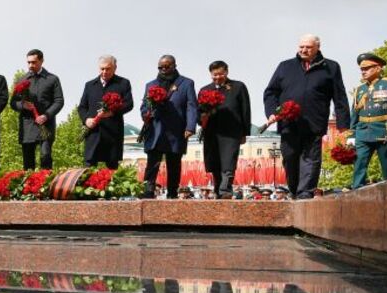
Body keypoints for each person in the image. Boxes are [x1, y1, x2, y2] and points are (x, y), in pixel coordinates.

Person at [263, 34, 351, 199]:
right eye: (301, 47)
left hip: (314, 122)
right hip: (288, 123)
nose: (303, 50)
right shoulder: (285, 66)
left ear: (318, 47)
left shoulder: (330, 67)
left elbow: (340, 96)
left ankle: (305, 192)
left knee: (311, 159)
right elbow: (270, 92)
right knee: (290, 158)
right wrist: (272, 112)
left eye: (308, 47)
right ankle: (296, 190)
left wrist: (343, 124)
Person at [138, 55, 198, 199]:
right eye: (160, 67)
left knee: (174, 163)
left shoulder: (186, 83)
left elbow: (191, 106)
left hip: (176, 130)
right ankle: (148, 189)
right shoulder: (150, 85)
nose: (163, 69)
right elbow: (144, 106)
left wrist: (190, 127)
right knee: (152, 161)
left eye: (167, 66)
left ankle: (172, 192)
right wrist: (145, 114)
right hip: (155, 129)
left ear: (174, 65)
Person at [346, 52, 387, 190]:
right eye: (362, 69)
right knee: (359, 163)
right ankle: (357, 190)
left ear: (378, 68)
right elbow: (354, 113)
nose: (363, 72)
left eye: (367, 68)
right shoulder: (359, 90)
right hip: (362, 132)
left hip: (384, 131)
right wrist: (351, 134)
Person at [199, 61, 252, 199]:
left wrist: (245, 132)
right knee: (214, 162)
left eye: (221, 74)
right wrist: (203, 117)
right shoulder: (205, 90)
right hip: (211, 132)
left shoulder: (238, 87)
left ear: (227, 72)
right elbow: (198, 113)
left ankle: (225, 189)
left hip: (231, 132)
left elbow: (245, 110)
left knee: (228, 162)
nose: (217, 77)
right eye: (214, 75)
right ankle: (218, 189)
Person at [77, 55, 134, 170]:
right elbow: (82, 107)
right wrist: (86, 120)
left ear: (115, 68)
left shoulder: (123, 83)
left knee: (112, 167)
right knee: (88, 166)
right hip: (93, 132)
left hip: (112, 133)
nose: (104, 72)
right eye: (102, 69)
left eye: (108, 69)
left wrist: (112, 113)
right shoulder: (89, 85)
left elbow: (129, 104)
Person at [11, 49, 64, 170]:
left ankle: (45, 185)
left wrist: (46, 115)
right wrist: (22, 105)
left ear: (42, 61)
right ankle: (29, 186)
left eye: (34, 62)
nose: (31, 65)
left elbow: (59, 101)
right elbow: (13, 103)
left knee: (45, 157)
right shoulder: (21, 80)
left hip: (46, 124)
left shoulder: (52, 79)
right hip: (27, 125)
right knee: (28, 162)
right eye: (28, 62)